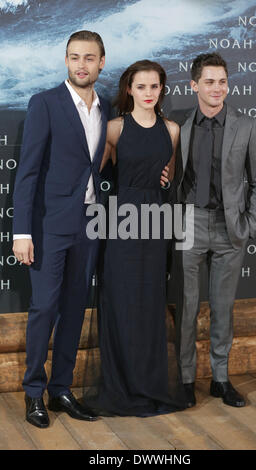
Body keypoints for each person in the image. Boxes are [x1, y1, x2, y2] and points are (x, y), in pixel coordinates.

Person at [12, 30, 111, 428]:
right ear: (66, 61)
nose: (81, 65)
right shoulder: (46, 103)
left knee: (73, 310)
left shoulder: (106, 109)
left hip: (89, 224)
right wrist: (22, 232)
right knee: (44, 309)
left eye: (89, 58)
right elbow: (28, 172)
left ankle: (61, 390)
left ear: (101, 62)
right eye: (74, 57)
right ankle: (33, 392)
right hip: (49, 226)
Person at [83, 60, 187, 416]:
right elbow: (96, 176)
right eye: (141, 87)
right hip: (121, 223)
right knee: (121, 301)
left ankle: (149, 384)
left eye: (154, 87)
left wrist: (164, 183)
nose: (147, 93)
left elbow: (168, 177)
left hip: (156, 223)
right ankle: (122, 385)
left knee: (150, 302)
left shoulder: (171, 130)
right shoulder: (114, 128)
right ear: (129, 89)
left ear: (161, 90)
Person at [170, 53, 256, 408]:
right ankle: (185, 379)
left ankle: (221, 379)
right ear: (194, 85)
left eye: (222, 81)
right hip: (190, 222)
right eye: (209, 82)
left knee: (223, 308)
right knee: (187, 306)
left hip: (230, 229)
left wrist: (247, 227)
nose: (217, 88)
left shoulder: (246, 126)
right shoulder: (177, 125)